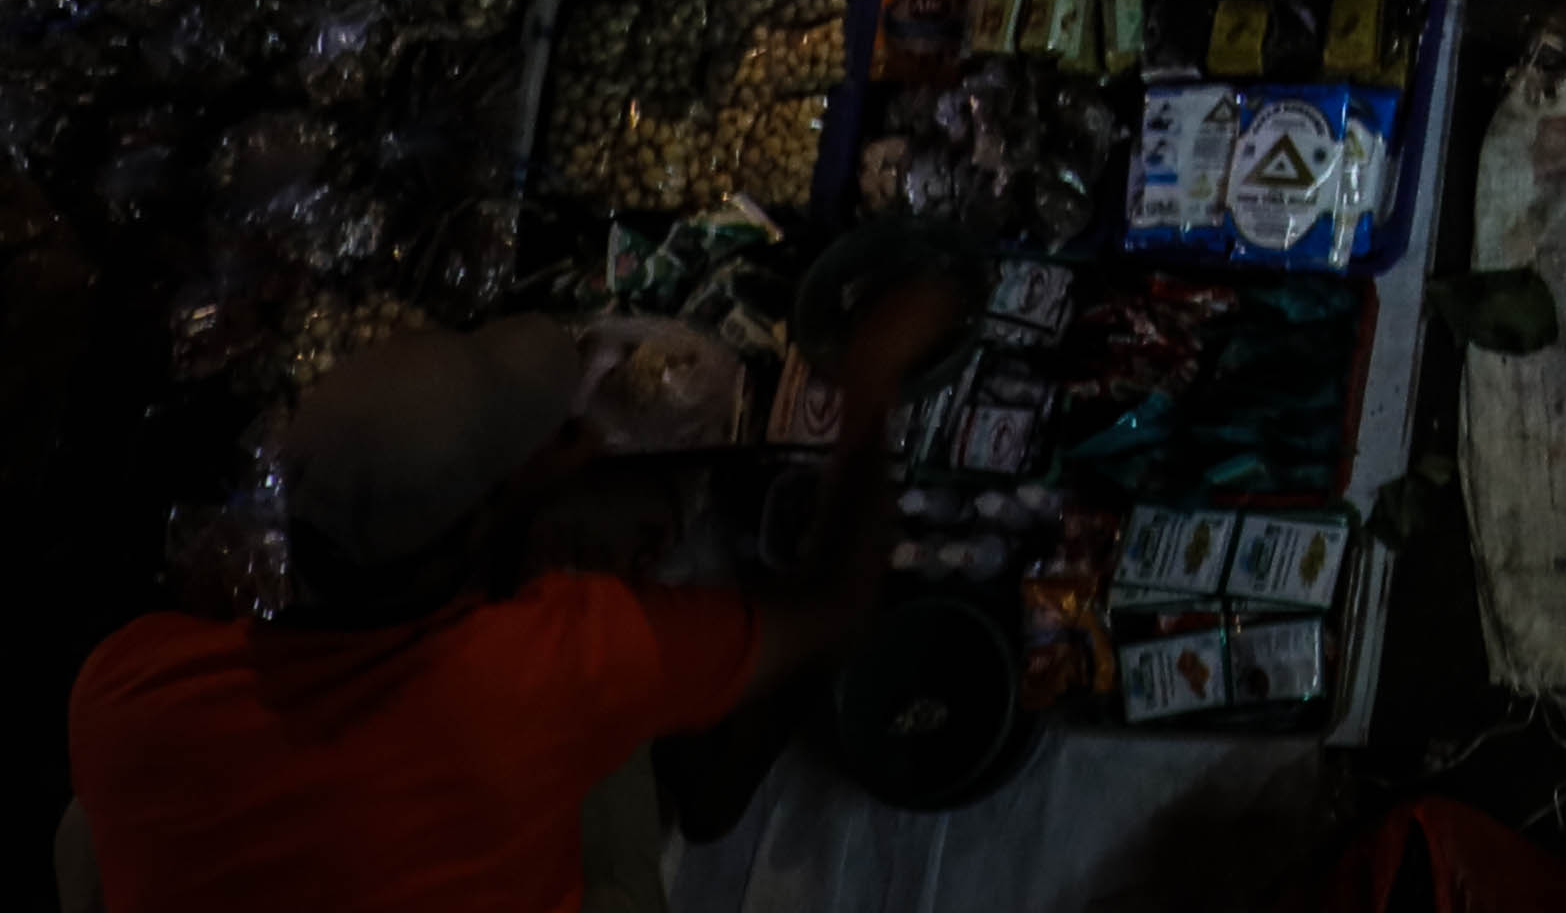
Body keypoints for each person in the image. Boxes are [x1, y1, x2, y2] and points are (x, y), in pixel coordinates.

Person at [67, 270, 969, 913]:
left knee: (81, 834)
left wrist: (513, 494)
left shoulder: (124, 686)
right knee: (670, 712)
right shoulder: (542, 668)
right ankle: (706, 794)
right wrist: (872, 384)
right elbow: (832, 606)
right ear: (480, 527)